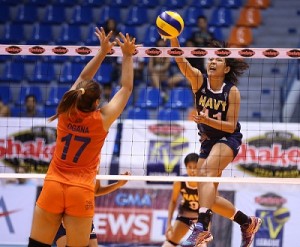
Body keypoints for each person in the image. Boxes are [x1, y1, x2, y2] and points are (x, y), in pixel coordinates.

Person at [28, 27, 137, 247]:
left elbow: (84, 77)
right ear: (97, 103)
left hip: (53, 186)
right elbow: (126, 88)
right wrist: (127, 56)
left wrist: (102, 52)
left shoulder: (66, 108)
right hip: (81, 190)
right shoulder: (102, 119)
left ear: (79, 95)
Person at [169, 37, 262, 247]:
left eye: (218, 60)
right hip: (208, 142)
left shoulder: (232, 92)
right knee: (207, 196)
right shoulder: (199, 81)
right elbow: (181, 61)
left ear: (226, 68)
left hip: (228, 139)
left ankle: (202, 227)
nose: (212, 62)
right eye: (211, 58)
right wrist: (173, 38)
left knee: (206, 173)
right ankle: (247, 222)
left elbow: (230, 126)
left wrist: (206, 120)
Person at [55, 172, 130, 247]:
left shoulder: (96, 163)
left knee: (93, 245)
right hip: (65, 209)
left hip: (84, 213)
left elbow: (96, 191)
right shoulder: (75, 163)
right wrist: (63, 212)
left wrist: (118, 184)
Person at [162, 153, 207, 247]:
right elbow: (173, 201)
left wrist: (207, 223)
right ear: (186, 168)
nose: (192, 170)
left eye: (195, 167)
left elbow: (213, 203)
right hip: (185, 214)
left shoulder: (205, 182)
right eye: (189, 167)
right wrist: (169, 224)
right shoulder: (179, 182)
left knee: (201, 244)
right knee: (169, 242)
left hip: (201, 216)